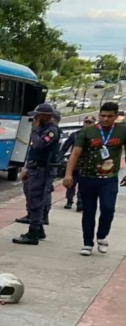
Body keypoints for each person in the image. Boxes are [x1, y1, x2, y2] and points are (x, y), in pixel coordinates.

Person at [63, 102, 126, 256]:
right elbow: (75, 154)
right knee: (88, 212)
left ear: (116, 116)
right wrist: (68, 174)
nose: (105, 119)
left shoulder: (122, 131)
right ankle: (87, 243)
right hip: (87, 177)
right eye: (102, 115)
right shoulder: (88, 131)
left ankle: (102, 236)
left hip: (109, 178)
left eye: (109, 116)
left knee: (108, 209)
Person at [13, 103, 61, 245]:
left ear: (45, 116)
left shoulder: (51, 131)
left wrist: (34, 130)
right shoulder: (42, 129)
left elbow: (39, 145)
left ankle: (33, 233)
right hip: (35, 168)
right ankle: (38, 229)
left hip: (42, 170)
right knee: (31, 196)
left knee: (36, 200)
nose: (35, 118)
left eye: (37, 115)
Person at [59, 115, 95, 212]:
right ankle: (69, 200)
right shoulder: (75, 135)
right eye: (86, 122)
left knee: (84, 185)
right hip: (75, 163)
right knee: (71, 183)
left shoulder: (96, 137)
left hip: (88, 164)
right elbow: (65, 147)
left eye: (90, 122)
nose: (87, 124)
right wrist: (59, 157)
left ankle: (80, 202)